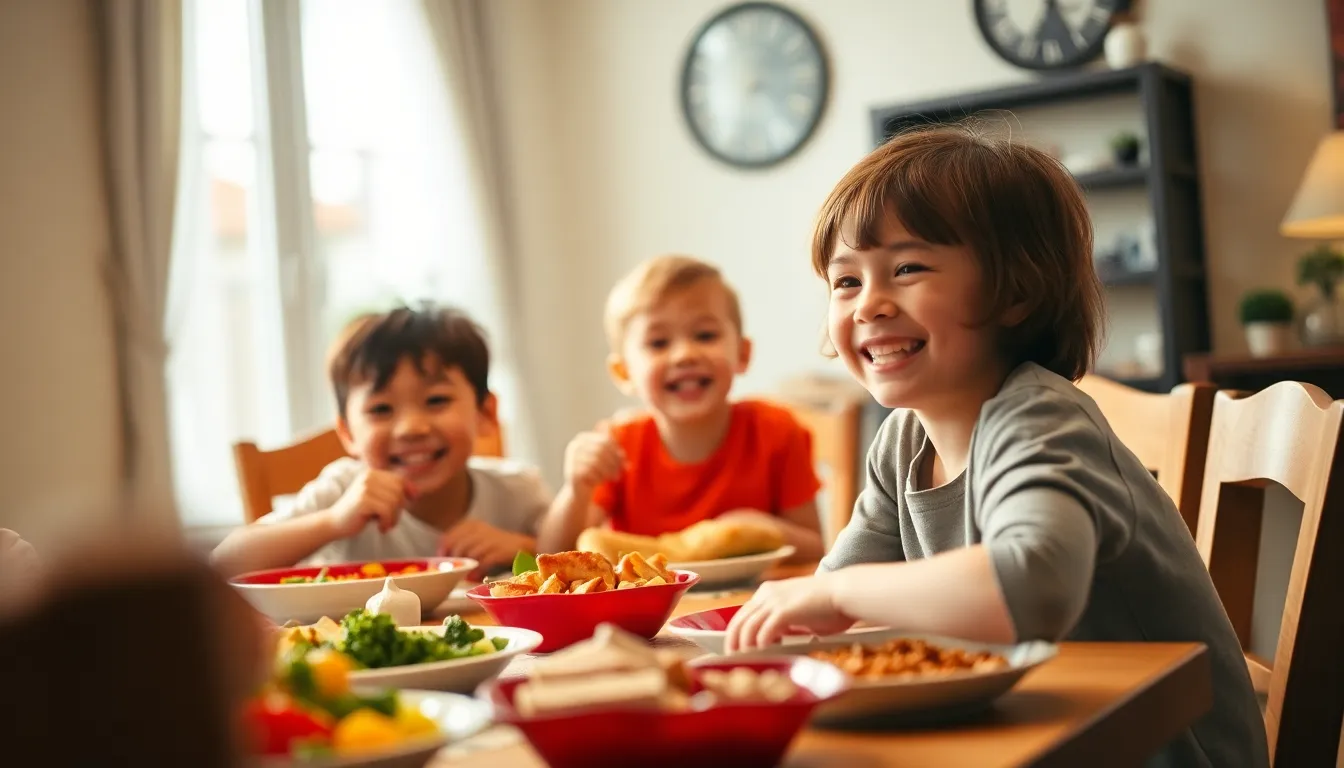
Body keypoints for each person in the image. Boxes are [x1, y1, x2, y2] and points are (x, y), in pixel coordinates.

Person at [723, 124, 1268, 768]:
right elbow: (832, 597)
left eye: (907, 269)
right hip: (1040, 733)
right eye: (845, 282)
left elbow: (1029, 584)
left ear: (1015, 292)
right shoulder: (902, 441)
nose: (869, 305)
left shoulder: (1037, 417)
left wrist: (836, 599)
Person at [212, 303, 551, 581]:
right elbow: (223, 564)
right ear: (347, 433)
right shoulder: (343, 491)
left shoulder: (516, 491)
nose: (411, 428)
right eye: (381, 409)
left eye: (436, 401)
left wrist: (525, 547)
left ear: (485, 412)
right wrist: (332, 522)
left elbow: (591, 558)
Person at [537, 255, 825, 562]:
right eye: (658, 343)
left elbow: (817, 550)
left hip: (754, 605)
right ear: (624, 372)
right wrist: (576, 490)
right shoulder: (617, 447)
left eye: (705, 335)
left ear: (742, 353)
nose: (684, 354)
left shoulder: (777, 431)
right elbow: (552, 558)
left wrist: (768, 530)